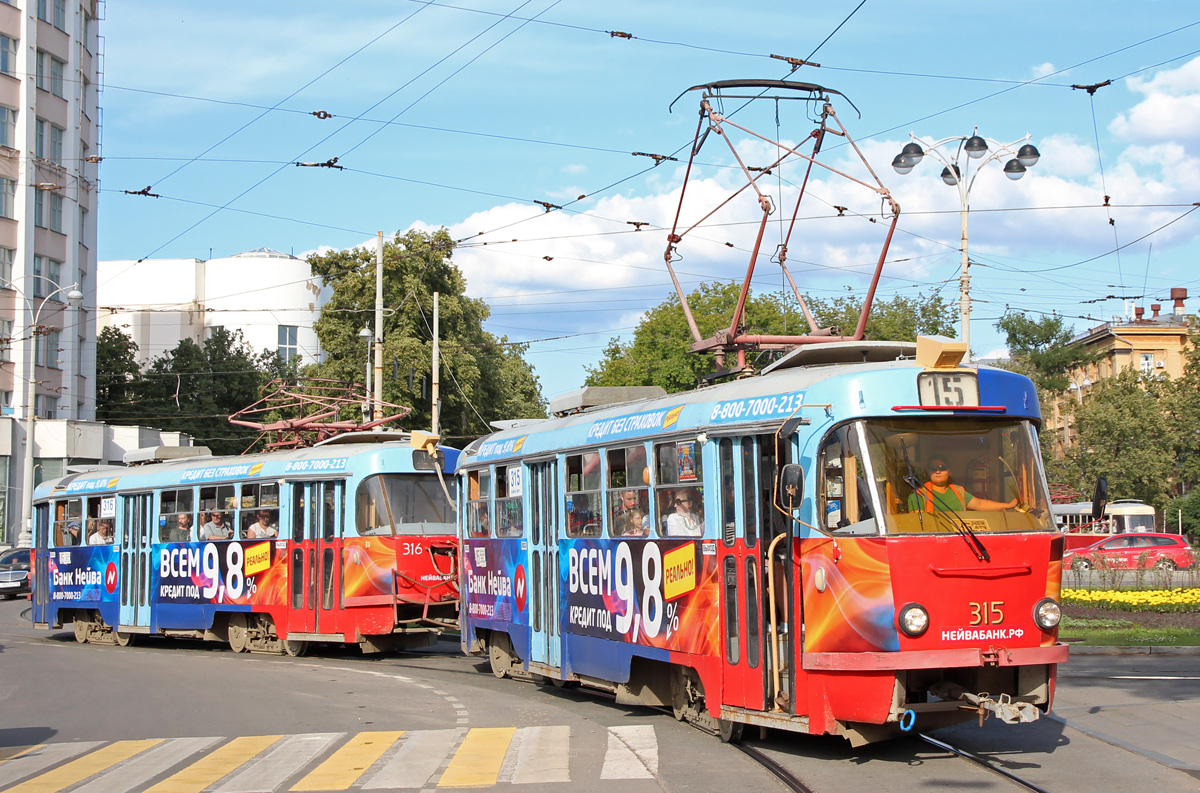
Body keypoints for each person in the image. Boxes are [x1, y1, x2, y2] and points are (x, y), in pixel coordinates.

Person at [907, 456, 1018, 513]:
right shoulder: (918, 496)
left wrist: (1008, 506)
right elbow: (918, 527)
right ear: (928, 472)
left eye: (942, 468)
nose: (938, 471)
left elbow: (979, 504)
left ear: (950, 472)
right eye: (933, 468)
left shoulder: (958, 491)